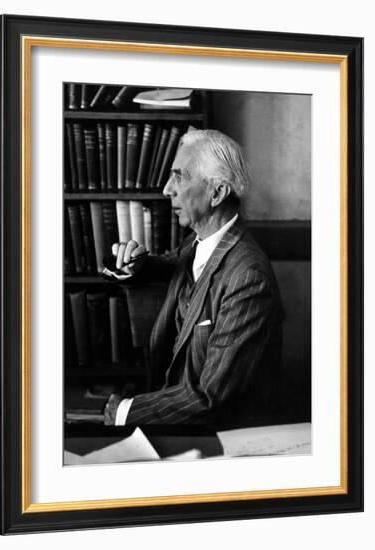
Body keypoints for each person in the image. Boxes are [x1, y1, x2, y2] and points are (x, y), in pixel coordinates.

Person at [103, 129, 283, 428]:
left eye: (179, 177)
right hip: (178, 418)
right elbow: (169, 264)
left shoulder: (249, 278)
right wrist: (132, 262)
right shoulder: (198, 242)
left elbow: (212, 397)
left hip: (219, 438)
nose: (165, 189)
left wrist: (125, 412)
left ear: (217, 193)